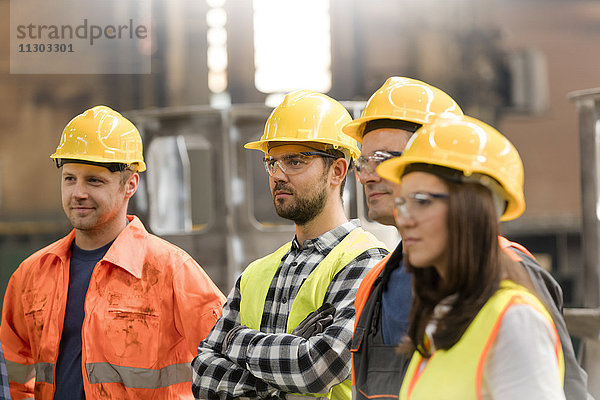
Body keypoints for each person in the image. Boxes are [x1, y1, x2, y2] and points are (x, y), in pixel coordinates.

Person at [344, 77, 591, 400]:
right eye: (363, 162)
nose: (366, 175)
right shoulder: (427, 309)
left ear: (469, 205)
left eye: (422, 200)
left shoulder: (512, 315)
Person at [0, 105, 226, 399]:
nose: (78, 192)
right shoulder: (32, 274)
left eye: (94, 180)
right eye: (70, 178)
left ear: (130, 184)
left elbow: (228, 364)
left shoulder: (171, 271)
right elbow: (13, 378)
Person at [192, 90, 389, 399]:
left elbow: (316, 368)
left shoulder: (367, 263)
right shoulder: (256, 273)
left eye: (295, 161)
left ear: (337, 171)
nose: (277, 176)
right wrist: (283, 385)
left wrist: (235, 341)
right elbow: (203, 375)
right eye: (272, 163)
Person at [376, 115, 565, 399]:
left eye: (423, 202)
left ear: (473, 209)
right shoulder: (439, 316)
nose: (405, 220)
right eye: (402, 203)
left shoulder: (516, 321)